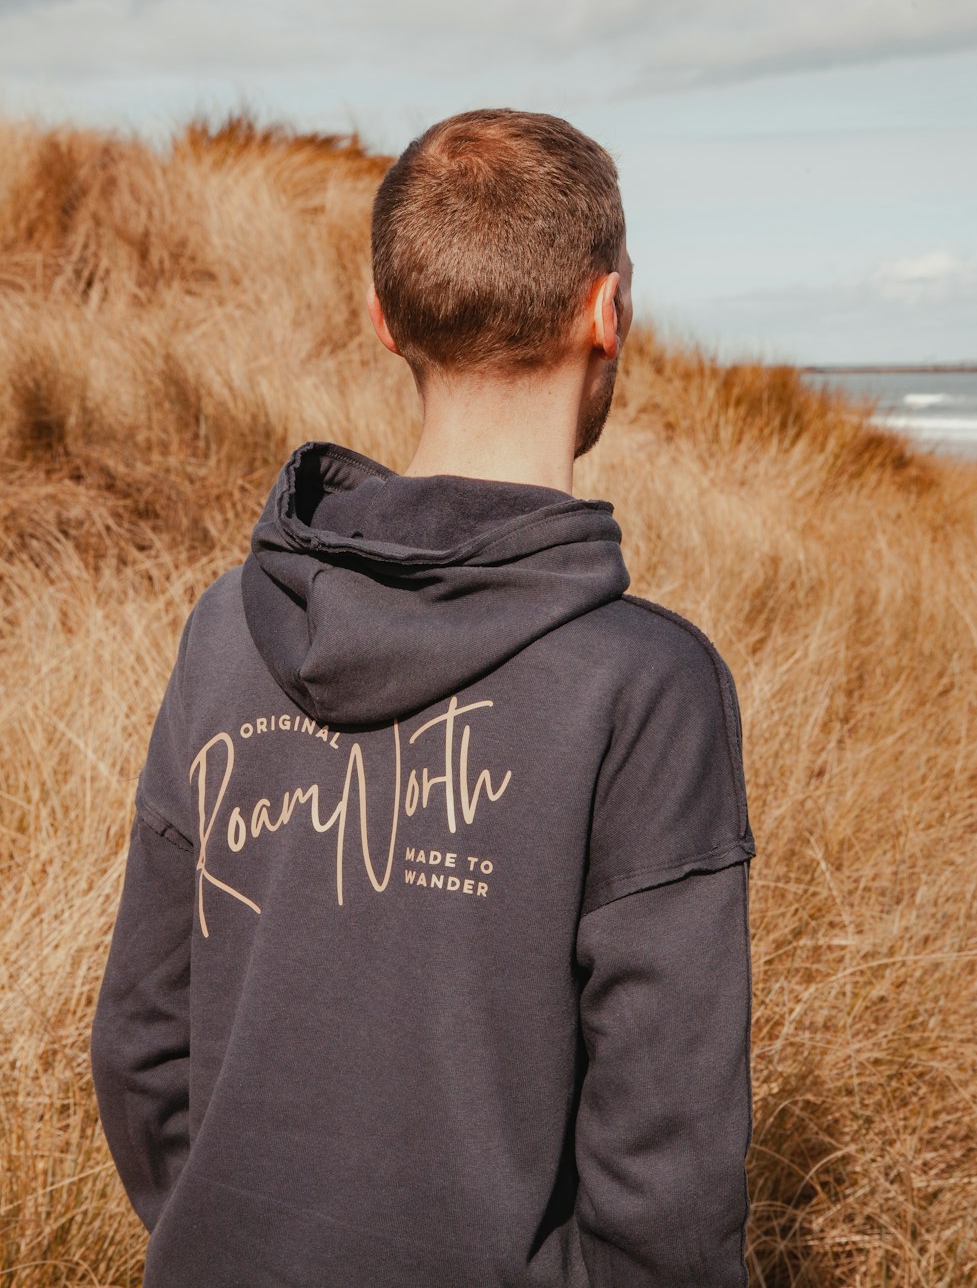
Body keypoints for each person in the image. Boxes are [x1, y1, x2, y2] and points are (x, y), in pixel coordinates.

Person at [91, 108, 757, 1287]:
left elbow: (142, 1046)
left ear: (382, 316)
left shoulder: (224, 627)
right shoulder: (647, 687)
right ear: (605, 313)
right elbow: (670, 1182)